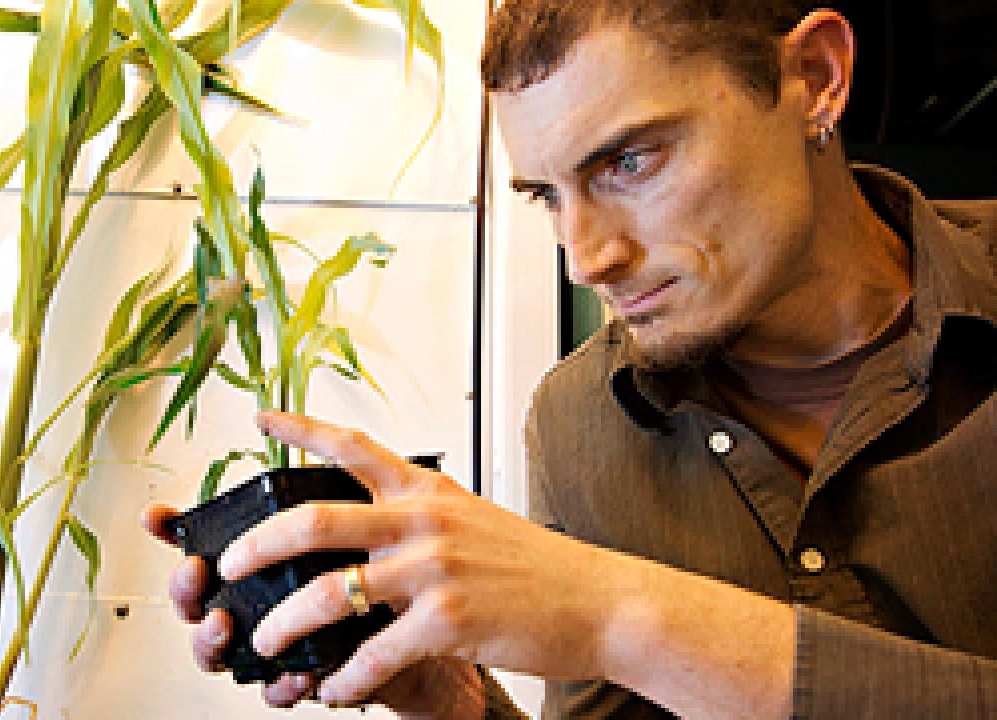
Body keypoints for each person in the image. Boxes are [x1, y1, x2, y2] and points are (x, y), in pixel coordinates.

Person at [145, 1, 997, 717]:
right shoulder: (580, 419)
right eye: (547, 196)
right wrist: (457, 700)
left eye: (630, 161)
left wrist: (618, 616)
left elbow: (616, 620)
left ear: (814, 78)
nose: (587, 258)